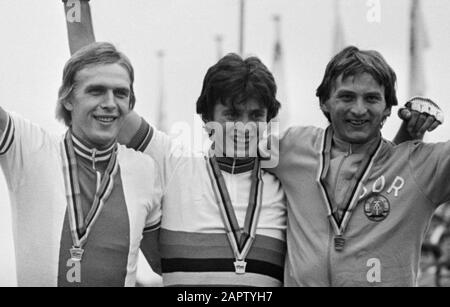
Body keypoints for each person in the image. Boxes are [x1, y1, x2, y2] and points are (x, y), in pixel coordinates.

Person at [264, 46, 448, 287]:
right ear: (324, 103)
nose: (359, 109)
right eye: (347, 96)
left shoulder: (416, 165)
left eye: (371, 98)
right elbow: (227, 145)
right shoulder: (291, 148)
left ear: (388, 108)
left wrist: (412, 132)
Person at [0, 42, 162, 286]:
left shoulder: (145, 170)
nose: (109, 102)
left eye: (120, 93)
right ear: (68, 99)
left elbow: (166, 264)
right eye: (96, 91)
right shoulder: (29, 148)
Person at [121, 54, 287, 286]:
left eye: (256, 115)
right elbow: (114, 111)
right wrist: (76, 18)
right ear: (207, 117)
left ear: (268, 120)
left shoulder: (285, 185)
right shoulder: (175, 165)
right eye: (231, 114)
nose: (245, 127)